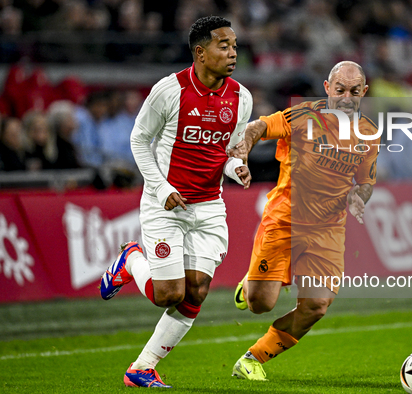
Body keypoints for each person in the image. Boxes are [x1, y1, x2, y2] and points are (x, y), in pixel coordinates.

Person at [98, 16, 252, 388]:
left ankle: (142, 368)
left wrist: (235, 168)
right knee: (167, 294)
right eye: (223, 45)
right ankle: (132, 259)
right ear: (200, 52)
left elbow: (225, 151)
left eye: (234, 45)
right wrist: (161, 186)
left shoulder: (242, 98)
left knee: (196, 290)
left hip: (210, 207)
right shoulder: (169, 90)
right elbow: (139, 140)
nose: (232, 52)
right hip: (165, 204)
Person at [229, 61, 378, 381]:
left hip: (328, 229)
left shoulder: (368, 133)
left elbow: (366, 181)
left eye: (354, 91)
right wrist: (243, 148)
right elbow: (259, 127)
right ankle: (250, 285)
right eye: (340, 90)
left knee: (316, 306)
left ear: (364, 92)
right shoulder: (304, 116)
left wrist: (358, 197)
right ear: (327, 89)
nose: (347, 97)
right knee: (260, 304)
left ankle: (252, 359)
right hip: (285, 219)